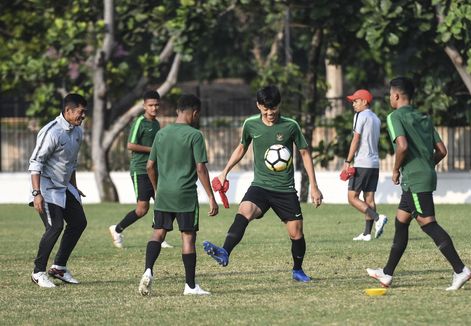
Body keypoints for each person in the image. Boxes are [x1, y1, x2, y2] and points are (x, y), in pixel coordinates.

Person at [203, 85, 323, 282]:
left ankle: (297, 270)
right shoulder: (250, 124)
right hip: (260, 185)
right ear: (259, 106)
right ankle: (225, 251)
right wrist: (225, 172)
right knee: (244, 210)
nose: (270, 113)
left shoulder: (290, 125)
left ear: (279, 105)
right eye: (266, 109)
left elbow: (304, 153)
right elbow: (241, 148)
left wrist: (314, 186)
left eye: (273, 108)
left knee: (296, 233)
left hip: (284, 189)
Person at [367, 77, 471, 290]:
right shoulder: (424, 117)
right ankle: (387, 273)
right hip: (421, 176)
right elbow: (442, 151)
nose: (389, 98)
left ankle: (461, 269)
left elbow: (402, 146)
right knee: (401, 221)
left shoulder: (394, 116)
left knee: (428, 224)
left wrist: (396, 169)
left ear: (396, 96)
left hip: (414, 179)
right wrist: (426, 165)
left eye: (390, 95)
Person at [138, 94, 218, 296]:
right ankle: (190, 286)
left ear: (177, 111)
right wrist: (211, 196)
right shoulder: (195, 135)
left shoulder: (161, 134)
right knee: (188, 237)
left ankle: (148, 270)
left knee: (158, 232)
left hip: (164, 193)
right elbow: (200, 168)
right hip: (185, 195)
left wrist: (157, 189)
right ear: (195, 112)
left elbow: (149, 166)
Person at [29, 93, 88, 288]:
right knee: (55, 227)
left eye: (85, 112)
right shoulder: (52, 132)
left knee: (79, 222)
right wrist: (36, 194)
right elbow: (36, 163)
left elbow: (71, 163)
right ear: (68, 111)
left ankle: (59, 267)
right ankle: (38, 272)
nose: (83, 116)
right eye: (80, 112)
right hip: (46, 187)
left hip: (64, 187)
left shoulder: (78, 131)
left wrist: (75, 187)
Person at [109, 90, 173, 249]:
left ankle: (159, 236)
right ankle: (117, 229)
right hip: (140, 170)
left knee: (162, 202)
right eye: (151, 105)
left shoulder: (156, 123)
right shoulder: (139, 122)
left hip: (155, 169)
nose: (154, 108)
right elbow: (130, 145)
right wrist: (153, 149)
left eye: (157, 105)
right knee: (142, 209)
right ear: (144, 106)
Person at [343, 89, 387, 241]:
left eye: (356, 101)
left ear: (364, 101)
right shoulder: (376, 118)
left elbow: (356, 139)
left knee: (352, 197)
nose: (353, 104)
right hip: (374, 163)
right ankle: (367, 234)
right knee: (369, 198)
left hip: (362, 162)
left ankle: (377, 218)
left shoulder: (360, 116)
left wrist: (348, 161)